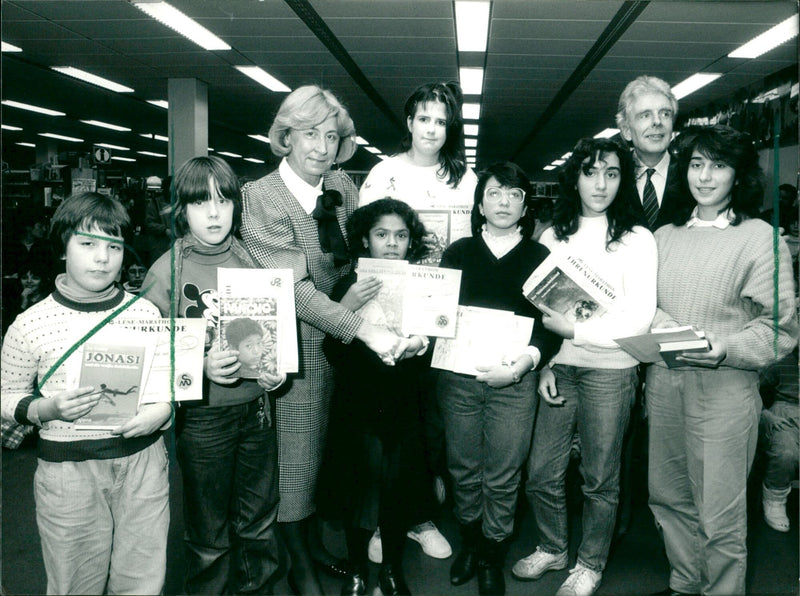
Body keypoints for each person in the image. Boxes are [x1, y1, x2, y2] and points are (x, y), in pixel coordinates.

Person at [240, 85, 404, 596]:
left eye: (331, 136)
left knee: (332, 457)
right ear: (285, 136)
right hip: (298, 348)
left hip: (346, 352)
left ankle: (310, 545)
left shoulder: (341, 186)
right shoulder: (259, 196)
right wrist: (362, 327)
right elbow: (293, 289)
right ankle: (298, 567)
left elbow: (362, 257)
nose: (321, 147)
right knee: (297, 459)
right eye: (310, 134)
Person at [646, 125, 797, 596]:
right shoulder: (662, 236)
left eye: (718, 165)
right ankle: (686, 584)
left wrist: (726, 346)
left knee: (719, 513)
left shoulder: (759, 238)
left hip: (726, 387)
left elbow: (780, 328)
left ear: (739, 175)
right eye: (696, 164)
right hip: (664, 381)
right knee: (668, 497)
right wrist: (651, 317)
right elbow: (641, 304)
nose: (705, 177)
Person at [1, 191, 173, 594]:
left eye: (114, 246)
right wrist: (46, 408)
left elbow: (166, 381)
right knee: (74, 582)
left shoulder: (145, 312)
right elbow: (6, 396)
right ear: (63, 248)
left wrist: (163, 410)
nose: (102, 258)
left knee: (142, 582)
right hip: (68, 471)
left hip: (143, 464)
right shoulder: (30, 324)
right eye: (87, 244)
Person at [512, 138, 656, 596]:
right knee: (541, 472)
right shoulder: (553, 236)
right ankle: (553, 548)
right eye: (590, 172)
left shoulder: (638, 239)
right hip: (562, 368)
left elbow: (638, 321)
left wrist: (575, 332)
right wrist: (548, 362)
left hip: (612, 370)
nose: (600, 183)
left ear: (623, 180)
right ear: (574, 178)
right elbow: (542, 310)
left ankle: (590, 564)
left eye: (612, 173)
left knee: (600, 479)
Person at [144, 155, 285, 594]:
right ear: (181, 209)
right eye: (200, 202)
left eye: (223, 201)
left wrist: (275, 371)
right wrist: (199, 366)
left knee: (259, 521)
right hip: (202, 418)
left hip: (256, 411)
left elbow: (272, 334)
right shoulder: (165, 272)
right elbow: (150, 359)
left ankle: (257, 589)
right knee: (208, 532)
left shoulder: (252, 261)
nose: (213, 213)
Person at [359, 81, 478, 562]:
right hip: (385, 320)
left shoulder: (465, 180)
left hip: (440, 319)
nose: (431, 129)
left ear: (451, 128)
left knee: (431, 426)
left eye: (441, 121)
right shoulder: (382, 174)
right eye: (423, 118)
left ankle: (420, 517)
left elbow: (470, 251)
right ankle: (383, 519)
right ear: (409, 123)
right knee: (386, 425)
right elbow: (365, 245)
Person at [438, 162, 562, 596]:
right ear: (480, 204)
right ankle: (470, 544)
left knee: (504, 473)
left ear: (526, 206)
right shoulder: (457, 253)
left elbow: (549, 325)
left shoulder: (540, 258)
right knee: (463, 468)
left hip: (516, 379)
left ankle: (492, 552)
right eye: (494, 193)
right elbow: (438, 313)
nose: (503, 202)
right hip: (459, 380)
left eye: (514, 194)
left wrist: (525, 363)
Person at [320, 198, 433, 596]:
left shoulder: (424, 284)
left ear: (410, 241)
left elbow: (434, 349)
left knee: (398, 490)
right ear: (365, 240)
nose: (391, 243)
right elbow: (331, 353)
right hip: (358, 405)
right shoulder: (347, 284)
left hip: (403, 406)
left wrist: (420, 343)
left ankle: (391, 569)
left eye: (400, 236)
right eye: (382, 234)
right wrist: (345, 307)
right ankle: (356, 567)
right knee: (357, 489)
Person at [616, 75, 682, 231]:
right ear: (626, 131)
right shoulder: (614, 176)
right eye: (645, 115)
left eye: (665, 114)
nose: (657, 122)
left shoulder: (690, 174)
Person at [758, 347, 799, 533]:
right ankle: (775, 500)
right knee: (786, 453)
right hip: (785, 412)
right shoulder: (782, 361)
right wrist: (766, 415)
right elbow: (752, 389)